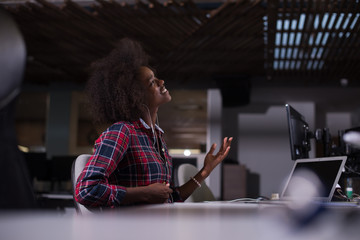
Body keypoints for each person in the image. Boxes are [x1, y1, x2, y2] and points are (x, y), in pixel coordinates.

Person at [75, 38, 232, 208]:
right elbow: (86, 190)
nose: (161, 82)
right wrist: (145, 193)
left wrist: (205, 171)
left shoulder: (156, 137)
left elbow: (169, 198)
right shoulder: (122, 132)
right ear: (136, 97)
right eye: (152, 83)